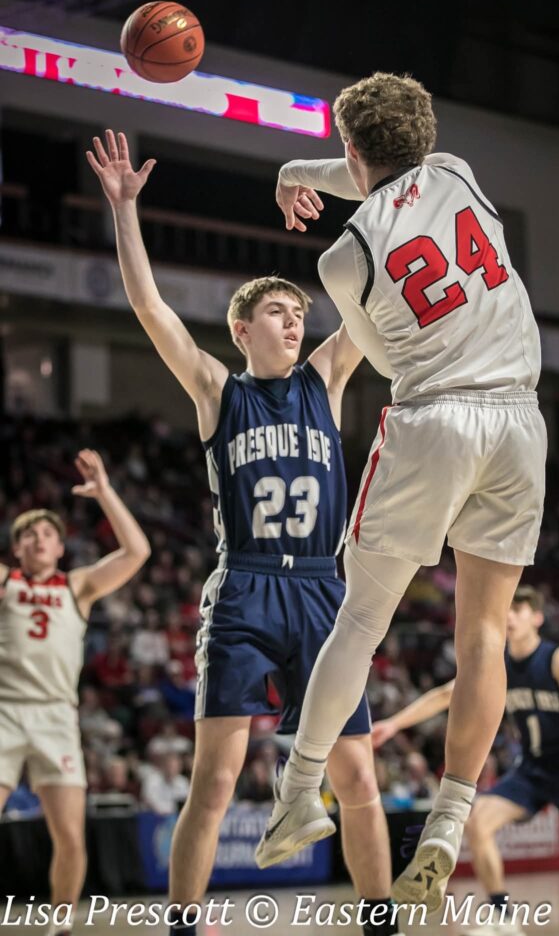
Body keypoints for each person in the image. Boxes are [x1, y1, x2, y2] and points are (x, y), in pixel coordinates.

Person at [87, 130, 400, 936]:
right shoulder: (216, 390)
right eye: (277, 311)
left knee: (355, 769)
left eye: (299, 312)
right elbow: (151, 309)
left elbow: (377, 287)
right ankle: (185, 923)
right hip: (247, 586)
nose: (294, 321)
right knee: (214, 778)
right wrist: (125, 211)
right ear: (243, 329)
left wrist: (374, 192)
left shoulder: (326, 377)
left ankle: (378, 917)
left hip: (325, 591)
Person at [256, 71, 547, 914]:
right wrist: (301, 171)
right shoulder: (455, 171)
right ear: (422, 136)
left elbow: (383, 359)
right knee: (484, 634)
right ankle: (454, 817)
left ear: (349, 148)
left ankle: (298, 793)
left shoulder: (341, 258)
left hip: (435, 421)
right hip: (520, 422)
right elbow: (381, 171)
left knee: (359, 621)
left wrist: (296, 177)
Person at [373, 587, 559, 933]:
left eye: (519, 609)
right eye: (507, 608)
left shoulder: (555, 657)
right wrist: (393, 723)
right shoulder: (499, 664)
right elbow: (449, 694)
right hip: (532, 769)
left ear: (537, 618)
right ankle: (503, 915)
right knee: (478, 822)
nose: (509, 615)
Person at [0, 449, 150, 933]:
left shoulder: (77, 586)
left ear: (61, 548)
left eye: (47, 533)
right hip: (4, 712)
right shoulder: (6, 582)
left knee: (68, 833)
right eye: (28, 534)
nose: (38, 539)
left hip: (57, 716)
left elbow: (137, 552)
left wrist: (104, 491)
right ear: (16, 547)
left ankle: (60, 925)